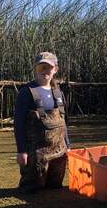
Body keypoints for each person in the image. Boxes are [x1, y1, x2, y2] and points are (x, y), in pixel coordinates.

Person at [14, 51, 71, 193]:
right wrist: (21, 151)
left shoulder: (58, 92)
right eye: (41, 67)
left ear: (55, 69)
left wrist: (68, 145)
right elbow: (19, 124)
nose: (45, 71)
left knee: (54, 189)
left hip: (59, 152)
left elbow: (63, 122)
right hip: (36, 153)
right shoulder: (27, 92)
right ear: (36, 68)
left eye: (48, 67)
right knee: (32, 189)